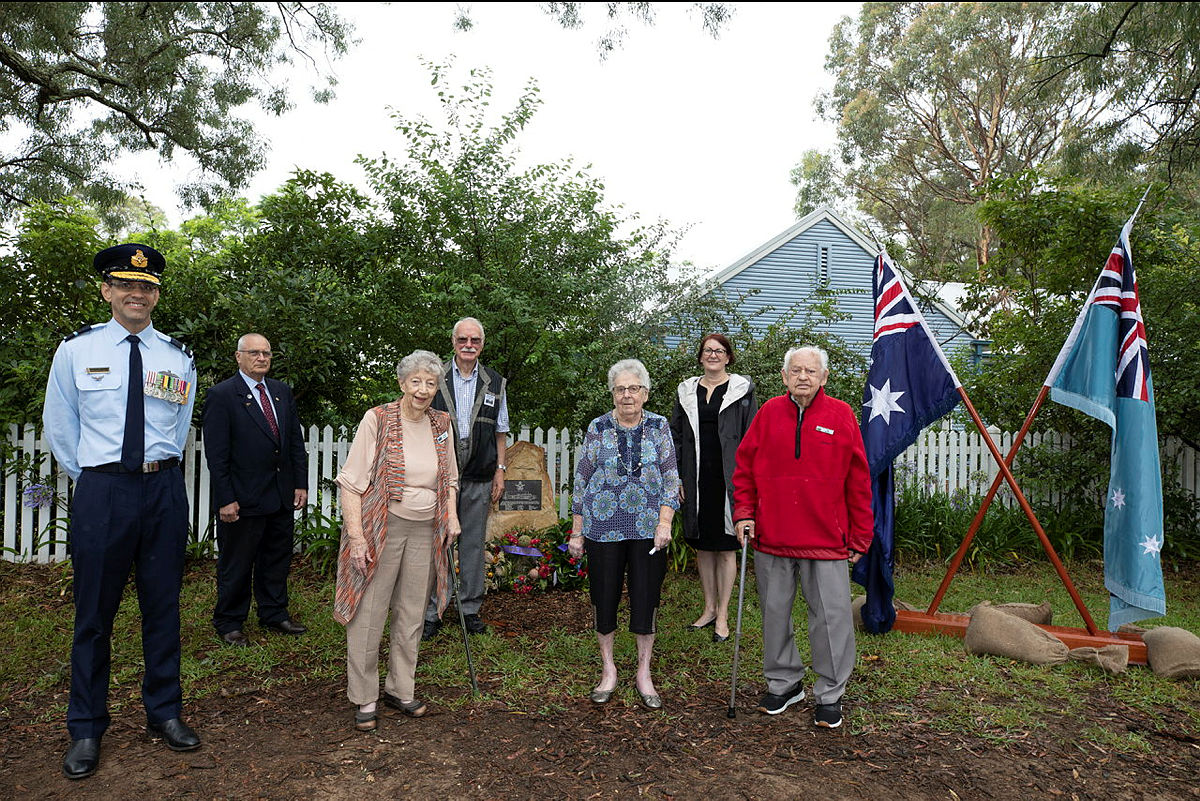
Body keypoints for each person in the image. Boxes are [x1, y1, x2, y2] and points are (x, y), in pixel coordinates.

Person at [43, 243, 200, 779]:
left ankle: (165, 712)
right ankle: (86, 727)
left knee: (164, 608)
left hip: (161, 492)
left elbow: (175, 432)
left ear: (157, 295)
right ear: (107, 291)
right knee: (93, 616)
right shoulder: (75, 351)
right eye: (126, 285)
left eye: (148, 286)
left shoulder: (177, 358)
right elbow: (61, 427)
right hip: (103, 492)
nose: (138, 294)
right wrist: (94, 478)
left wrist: (154, 472)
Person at [732, 346, 873, 729]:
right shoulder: (767, 415)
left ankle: (830, 693)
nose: (803, 377)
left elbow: (859, 481)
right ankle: (784, 683)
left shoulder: (841, 415)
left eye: (811, 372)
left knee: (830, 620)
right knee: (774, 615)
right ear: (784, 377)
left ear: (824, 378)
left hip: (826, 540)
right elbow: (743, 470)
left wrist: (861, 538)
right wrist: (743, 513)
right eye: (796, 371)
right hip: (772, 537)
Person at [333, 350, 462, 732]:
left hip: (426, 529)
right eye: (416, 381)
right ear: (402, 383)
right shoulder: (378, 419)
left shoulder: (442, 423)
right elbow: (350, 484)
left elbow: (450, 479)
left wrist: (451, 514)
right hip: (382, 527)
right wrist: (356, 538)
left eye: (431, 383)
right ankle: (365, 695)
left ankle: (400, 688)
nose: (423, 390)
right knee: (369, 613)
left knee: (411, 614)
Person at [569, 359, 680, 710]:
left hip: (649, 529)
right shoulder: (598, 427)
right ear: (612, 393)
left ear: (645, 394)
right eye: (620, 389)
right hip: (602, 527)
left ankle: (643, 672)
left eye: (633, 388)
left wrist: (665, 522)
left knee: (645, 598)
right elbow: (582, 480)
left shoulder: (660, 427)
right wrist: (577, 532)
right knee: (604, 598)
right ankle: (609, 670)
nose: (627, 395)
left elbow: (670, 478)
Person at [203, 333, 309, 646]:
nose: (261, 358)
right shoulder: (223, 395)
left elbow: (293, 443)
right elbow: (217, 454)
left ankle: (274, 613)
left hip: (279, 495)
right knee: (236, 564)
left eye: (266, 353)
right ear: (239, 357)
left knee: (276, 559)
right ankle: (230, 622)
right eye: (254, 353)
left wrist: (300, 483)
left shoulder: (280, 392)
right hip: (242, 499)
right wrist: (225, 499)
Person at [423, 317, 509, 640]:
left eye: (474, 340)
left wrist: (500, 470)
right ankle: (433, 611)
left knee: (473, 544)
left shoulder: (495, 382)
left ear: (482, 345)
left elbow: (501, 431)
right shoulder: (434, 378)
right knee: (438, 542)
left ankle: (469, 609)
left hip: (478, 475)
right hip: (439, 477)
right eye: (463, 340)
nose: (468, 345)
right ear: (453, 342)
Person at [669, 333, 757, 643]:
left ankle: (723, 615)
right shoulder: (686, 391)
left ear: (729, 357)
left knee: (726, 548)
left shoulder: (742, 390)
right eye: (708, 350)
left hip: (728, 478)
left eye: (719, 351)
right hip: (696, 477)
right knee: (703, 547)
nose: (713, 355)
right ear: (700, 356)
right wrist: (677, 477)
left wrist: (749, 481)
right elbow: (675, 437)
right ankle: (708, 608)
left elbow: (751, 437)